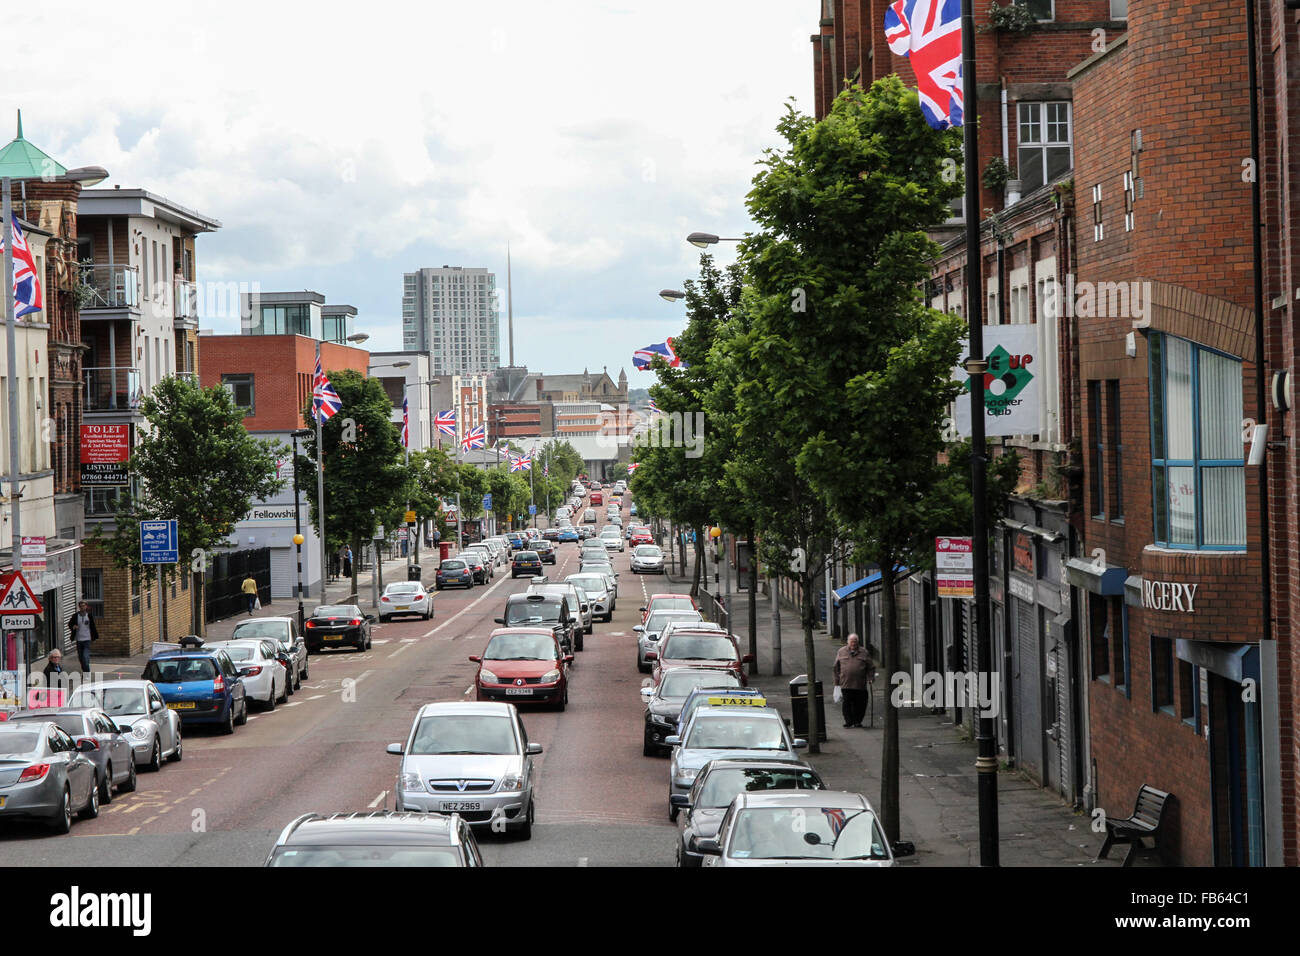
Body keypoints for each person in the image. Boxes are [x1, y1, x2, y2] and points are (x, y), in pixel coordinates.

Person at [833, 632, 875, 729]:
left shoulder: (864, 652)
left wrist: (870, 678)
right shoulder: (841, 651)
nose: (853, 644)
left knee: (860, 704)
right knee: (846, 703)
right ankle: (848, 721)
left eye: (855, 642)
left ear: (858, 642)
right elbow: (836, 667)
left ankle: (857, 721)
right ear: (848, 642)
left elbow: (871, 667)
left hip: (860, 684)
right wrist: (836, 682)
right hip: (845, 683)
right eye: (851, 642)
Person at [66, 601, 99, 673]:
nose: (82, 607)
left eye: (83, 606)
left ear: (86, 606)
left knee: (85, 657)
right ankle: (85, 672)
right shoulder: (75, 616)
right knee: (81, 659)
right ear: (79, 607)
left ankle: (87, 674)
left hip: (87, 639)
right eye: (81, 606)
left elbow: (93, 626)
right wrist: (73, 627)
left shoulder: (89, 616)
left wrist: (95, 636)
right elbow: (70, 624)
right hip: (79, 640)